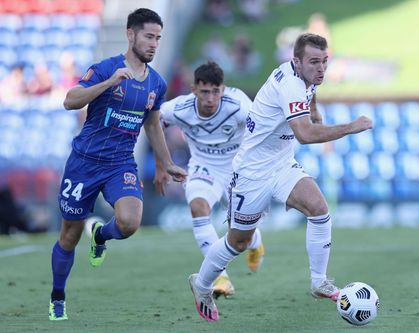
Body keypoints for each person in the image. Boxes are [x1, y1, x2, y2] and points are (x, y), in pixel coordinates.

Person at [188, 33, 373, 322]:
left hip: (282, 164)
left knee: (319, 209)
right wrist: (351, 126)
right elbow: (305, 134)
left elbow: (311, 93)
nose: (321, 68)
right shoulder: (289, 84)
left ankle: (319, 281)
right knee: (237, 242)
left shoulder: (305, 77)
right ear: (296, 61)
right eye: (314, 62)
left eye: (325, 61)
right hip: (251, 173)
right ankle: (201, 285)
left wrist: (314, 109)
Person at [48, 8, 187, 321]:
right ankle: (58, 296)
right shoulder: (105, 68)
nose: (154, 44)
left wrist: (165, 163)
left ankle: (100, 236)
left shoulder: (157, 83)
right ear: (131, 34)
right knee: (69, 235)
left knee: (129, 222)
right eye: (149, 36)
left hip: (120, 163)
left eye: (158, 38)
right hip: (84, 162)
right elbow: (71, 100)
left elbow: (152, 123)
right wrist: (108, 83)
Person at [154, 61, 265, 298]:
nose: (211, 98)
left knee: (241, 234)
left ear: (223, 90)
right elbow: (154, 121)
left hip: (238, 168)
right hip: (203, 167)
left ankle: (255, 242)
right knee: (198, 207)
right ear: (194, 89)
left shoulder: (239, 105)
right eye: (205, 92)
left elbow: (263, 129)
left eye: (216, 91)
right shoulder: (180, 108)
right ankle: (220, 277)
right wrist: (161, 165)